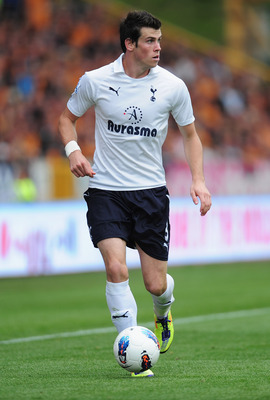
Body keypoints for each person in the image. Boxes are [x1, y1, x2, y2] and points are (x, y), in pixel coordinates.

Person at [58, 10, 211, 377]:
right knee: (115, 268)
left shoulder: (173, 86)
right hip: (106, 189)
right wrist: (73, 150)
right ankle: (132, 347)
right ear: (130, 44)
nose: (159, 47)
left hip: (150, 194)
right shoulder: (95, 81)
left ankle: (163, 310)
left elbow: (191, 135)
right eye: (150, 41)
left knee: (154, 283)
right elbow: (66, 119)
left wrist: (199, 180)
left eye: (159, 40)